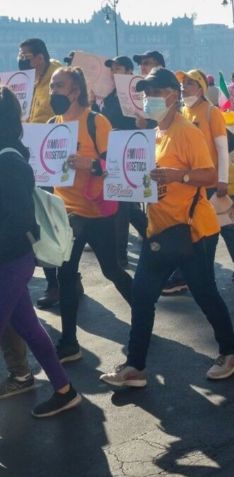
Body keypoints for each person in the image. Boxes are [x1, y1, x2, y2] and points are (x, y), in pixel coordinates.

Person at [99, 67, 234, 388]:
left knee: (205, 294)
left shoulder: (187, 132)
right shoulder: (155, 134)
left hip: (193, 231)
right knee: (141, 295)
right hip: (160, 231)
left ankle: (230, 353)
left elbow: (208, 174)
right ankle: (135, 366)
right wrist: (119, 180)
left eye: (151, 93)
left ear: (169, 95)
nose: (146, 99)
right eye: (144, 93)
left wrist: (179, 176)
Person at [0, 87, 82, 417]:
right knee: (29, 328)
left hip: (11, 260)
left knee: (26, 327)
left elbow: (18, 219)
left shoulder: (9, 161)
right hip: (9, 260)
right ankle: (64, 390)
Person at [48, 67, 134, 362]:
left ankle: (142, 312)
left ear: (75, 90)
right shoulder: (52, 124)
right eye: (51, 86)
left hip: (97, 211)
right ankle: (69, 342)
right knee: (66, 276)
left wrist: (91, 164)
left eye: (58, 86)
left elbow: (116, 165)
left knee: (111, 269)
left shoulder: (97, 122)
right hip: (66, 213)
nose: (52, 91)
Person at [177, 68, 234, 280]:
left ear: (201, 88)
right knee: (201, 223)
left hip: (209, 178)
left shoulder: (212, 112)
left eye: (190, 83)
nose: (185, 87)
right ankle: (188, 271)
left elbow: (221, 148)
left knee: (223, 224)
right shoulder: (184, 111)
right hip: (191, 179)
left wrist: (222, 180)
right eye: (184, 83)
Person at [18, 38, 65, 311]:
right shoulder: (27, 80)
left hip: (52, 153)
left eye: (27, 56)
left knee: (50, 219)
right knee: (41, 218)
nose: (23, 60)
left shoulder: (56, 75)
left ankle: (61, 281)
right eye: (21, 56)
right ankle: (59, 280)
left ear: (40, 56)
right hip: (32, 154)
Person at [102, 56, 148, 268]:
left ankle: (120, 254)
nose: (113, 72)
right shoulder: (110, 94)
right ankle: (151, 234)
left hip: (131, 149)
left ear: (129, 71)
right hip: (114, 150)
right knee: (125, 203)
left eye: (117, 68)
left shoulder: (137, 92)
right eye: (112, 69)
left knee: (122, 204)